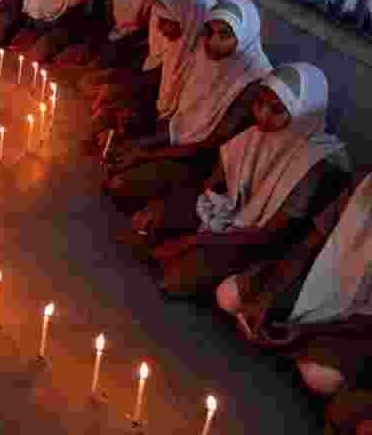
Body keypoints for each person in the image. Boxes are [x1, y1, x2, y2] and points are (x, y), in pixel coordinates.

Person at [133, 63, 351, 297]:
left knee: (172, 279)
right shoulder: (255, 134)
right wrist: (184, 215)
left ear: (305, 112)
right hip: (226, 216)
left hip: (255, 242)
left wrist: (190, 241)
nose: (261, 116)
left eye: (277, 110)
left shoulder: (310, 163)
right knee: (149, 220)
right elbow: (210, 187)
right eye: (259, 104)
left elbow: (267, 234)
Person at [216, 173, 371, 397]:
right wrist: (269, 294)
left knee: (320, 377)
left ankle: (294, 342)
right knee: (228, 296)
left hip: (354, 325)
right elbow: (308, 245)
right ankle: (288, 340)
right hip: (315, 283)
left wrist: (308, 329)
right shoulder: (363, 185)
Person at [104, 0, 272, 205]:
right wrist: (141, 144)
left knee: (119, 183)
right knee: (112, 149)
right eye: (209, 32)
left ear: (245, 36)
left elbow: (210, 144)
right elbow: (185, 120)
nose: (212, 42)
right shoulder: (206, 53)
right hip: (179, 141)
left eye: (225, 35)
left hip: (202, 161)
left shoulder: (254, 81)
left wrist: (146, 153)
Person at [91, 0, 210, 151]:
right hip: (160, 117)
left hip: (180, 138)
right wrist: (119, 93)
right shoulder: (180, 43)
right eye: (159, 20)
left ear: (187, 19)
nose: (159, 28)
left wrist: (137, 136)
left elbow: (187, 123)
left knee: (116, 149)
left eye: (166, 22)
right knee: (105, 112)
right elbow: (158, 79)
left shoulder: (203, 63)